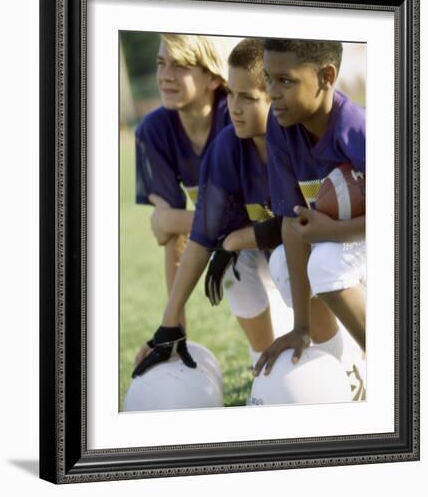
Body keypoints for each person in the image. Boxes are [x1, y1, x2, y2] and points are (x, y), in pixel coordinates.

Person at [133, 38, 340, 378]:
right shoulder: (227, 146)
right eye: (232, 95)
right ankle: (264, 366)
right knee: (235, 269)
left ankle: (341, 363)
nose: (234, 107)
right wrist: (170, 325)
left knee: (287, 261)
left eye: (247, 97)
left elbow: (297, 223)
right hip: (269, 244)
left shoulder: (296, 134)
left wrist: (233, 238)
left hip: (332, 246)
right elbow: (197, 237)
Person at [254, 38, 366, 381]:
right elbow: (291, 221)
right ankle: (345, 372)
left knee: (325, 263)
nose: (272, 92)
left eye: (285, 80)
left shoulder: (358, 130)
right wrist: (299, 326)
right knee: (283, 264)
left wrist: (330, 232)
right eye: (268, 78)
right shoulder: (281, 126)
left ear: (326, 76)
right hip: (350, 242)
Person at [135, 34, 232, 331]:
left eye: (180, 66)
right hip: (232, 242)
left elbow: (170, 221)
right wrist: (174, 325)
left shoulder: (237, 116)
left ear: (213, 78)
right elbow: (170, 235)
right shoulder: (155, 129)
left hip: (275, 237)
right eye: (161, 63)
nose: (165, 76)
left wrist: (176, 220)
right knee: (232, 267)